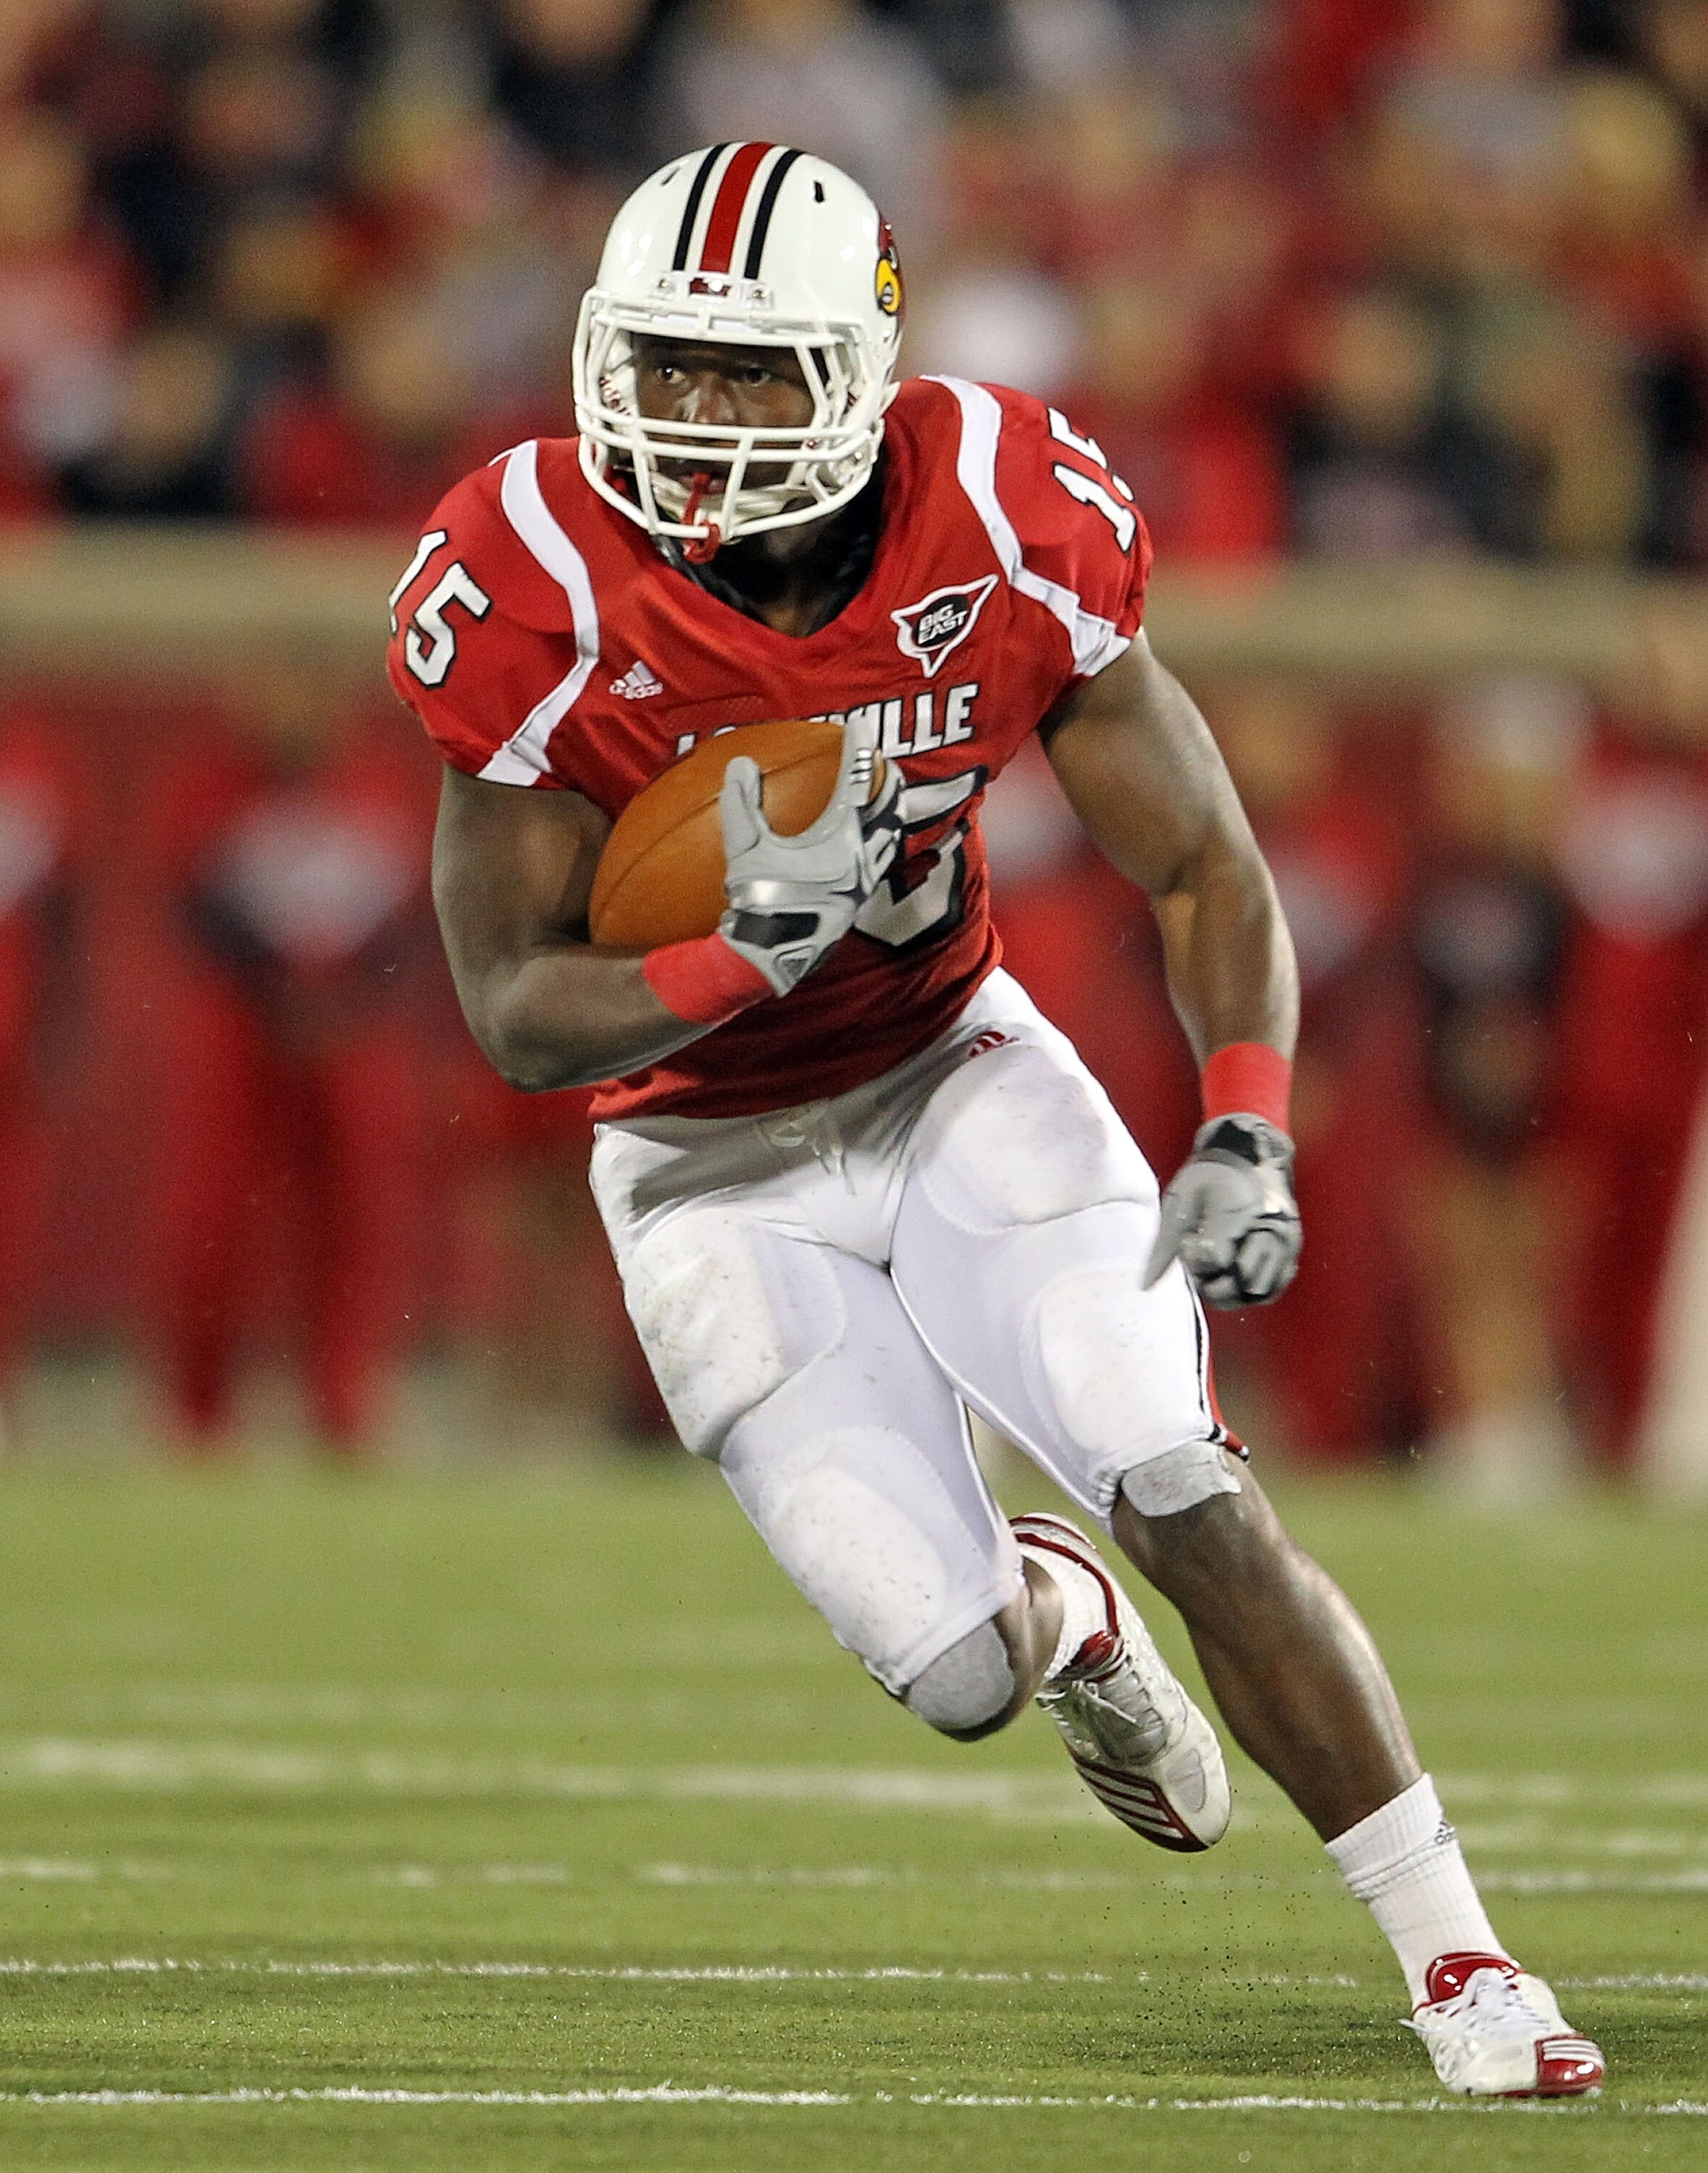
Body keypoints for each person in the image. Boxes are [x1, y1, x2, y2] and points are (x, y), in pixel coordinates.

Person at [388, 143, 1604, 2098]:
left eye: (745, 371)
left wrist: (1248, 1128)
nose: (692, 418)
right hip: (701, 1164)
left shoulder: (1004, 511)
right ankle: (1058, 1619)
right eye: (666, 364)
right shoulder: (529, 576)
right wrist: (741, 959)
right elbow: (517, 1016)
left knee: (1186, 1478)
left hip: (958, 1071)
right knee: (959, 1678)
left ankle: (1462, 1962)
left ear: (864, 372)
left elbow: (1203, 859)